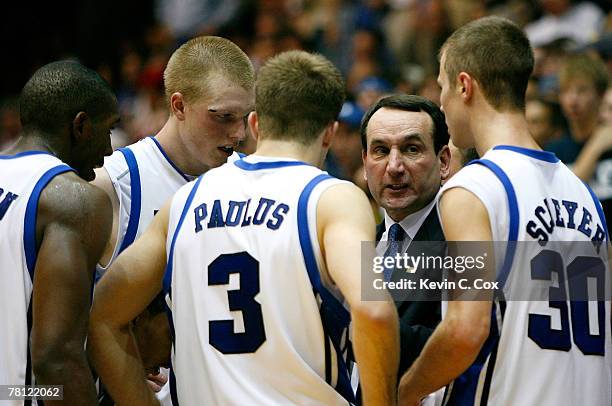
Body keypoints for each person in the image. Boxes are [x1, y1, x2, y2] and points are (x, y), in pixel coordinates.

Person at [89, 50, 399, 405]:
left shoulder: (185, 201)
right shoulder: (333, 198)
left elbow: (101, 317)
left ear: (255, 124)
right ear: (329, 133)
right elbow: (374, 310)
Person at [399, 16, 610, 405]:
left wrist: (406, 392)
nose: (441, 102)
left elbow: (465, 329)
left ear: (464, 86)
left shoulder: (474, 187)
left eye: (443, 88)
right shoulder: (584, 195)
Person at [91, 35, 255, 402]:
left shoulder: (256, 184)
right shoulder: (113, 186)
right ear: (178, 105)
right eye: (223, 117)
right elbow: (62, 333)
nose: (239, 133)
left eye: (245, 118)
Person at [0, 61, 119, 404]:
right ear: (80, 126)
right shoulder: (72, 199)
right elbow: (55, 360)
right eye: (108, 129)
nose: (109, 149)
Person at [360, 94, 450, 380]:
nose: (395, 166)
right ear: (365, 163)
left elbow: (465, 344)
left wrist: (355, 319)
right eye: (381, 150)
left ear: (444, 160)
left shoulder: (461, 241)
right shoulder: (360, 246)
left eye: (411, 149)